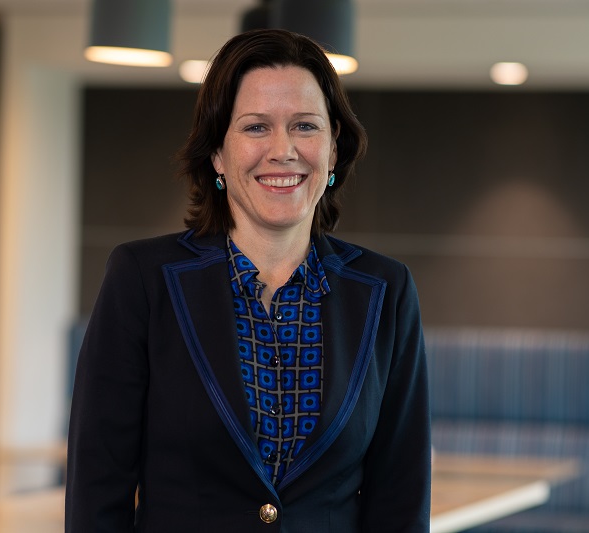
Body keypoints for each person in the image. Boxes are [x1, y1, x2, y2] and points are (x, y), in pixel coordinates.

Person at [65, 28, 431, 532]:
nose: (283, 150)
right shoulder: (142, 280)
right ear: (217, 153)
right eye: (256, 127)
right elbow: (96, 489)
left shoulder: (386, 292)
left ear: (332, 148)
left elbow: (401, 499)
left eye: (305, 126)